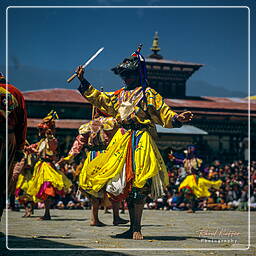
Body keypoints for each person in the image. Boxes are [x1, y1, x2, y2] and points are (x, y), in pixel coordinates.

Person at [74, 45, 193, 239]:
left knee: (139, 182)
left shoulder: (148, 94)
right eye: (123, 75)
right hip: (122, 139)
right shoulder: (119, 94)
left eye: (129, 75)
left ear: (138, 74)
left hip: (141, 140)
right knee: (124, 184)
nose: (126, 78)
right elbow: (101, 100)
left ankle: (136, 228)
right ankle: (130, 227)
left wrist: (178, 118)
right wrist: (83, 81)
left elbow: (164, 113)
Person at [58, 107, 129, 226]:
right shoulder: (112, 123)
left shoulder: (87, 126)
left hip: (91, 158)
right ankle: (115, 217)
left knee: (95, 189)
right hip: (108, 157)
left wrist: (68, 158)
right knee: (112, 186)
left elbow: (78, 144)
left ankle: (94, 218)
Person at [26, 110, 72, 220]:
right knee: (39, 189)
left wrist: (50, 136)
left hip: (47, 167)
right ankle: (39, 212)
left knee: (47, 188)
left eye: (41, 129)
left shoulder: (52, 140)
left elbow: (52, 148)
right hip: (40, 166)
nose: (40, 131)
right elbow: (33, 148)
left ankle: (47, 213)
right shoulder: (42, 141)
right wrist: (27, 148)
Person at [0, 72, 27, 220]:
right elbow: (22, 122)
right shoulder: (15, 92)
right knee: (2, 180)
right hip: (8, 138)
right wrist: (20, 146)